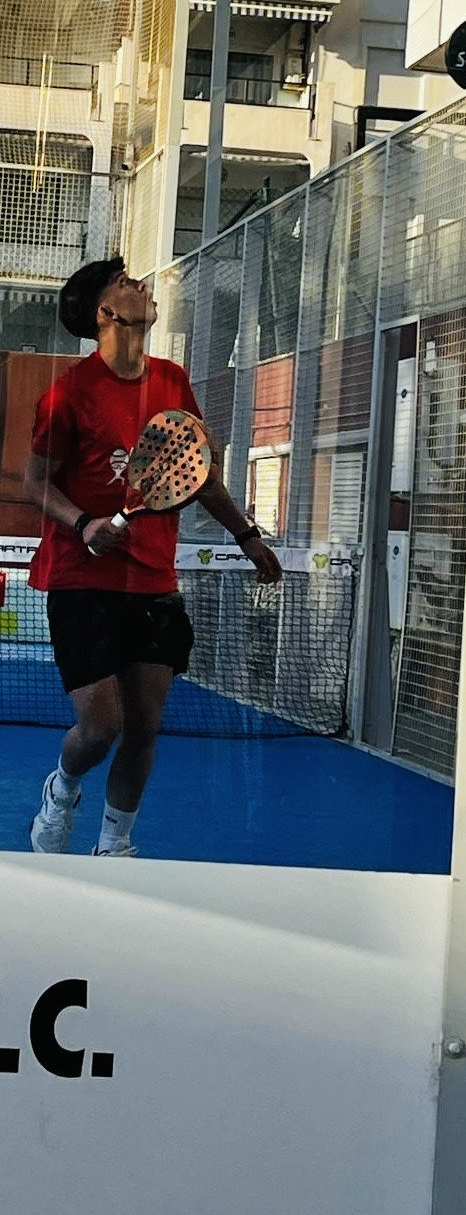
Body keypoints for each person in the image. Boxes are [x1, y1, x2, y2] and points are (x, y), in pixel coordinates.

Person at [25, 255, 282, 857]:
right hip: (81, 579)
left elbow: (195, 471)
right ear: (106, 312)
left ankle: (114, 845)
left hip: (153, 582)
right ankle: (63, 788)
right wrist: (84, 523)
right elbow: (34, 482)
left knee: (144, 726)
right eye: (124, 283)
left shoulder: (172, 381)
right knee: (100, 728)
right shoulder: (68, 395)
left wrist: (245, 534)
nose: (140, 285)